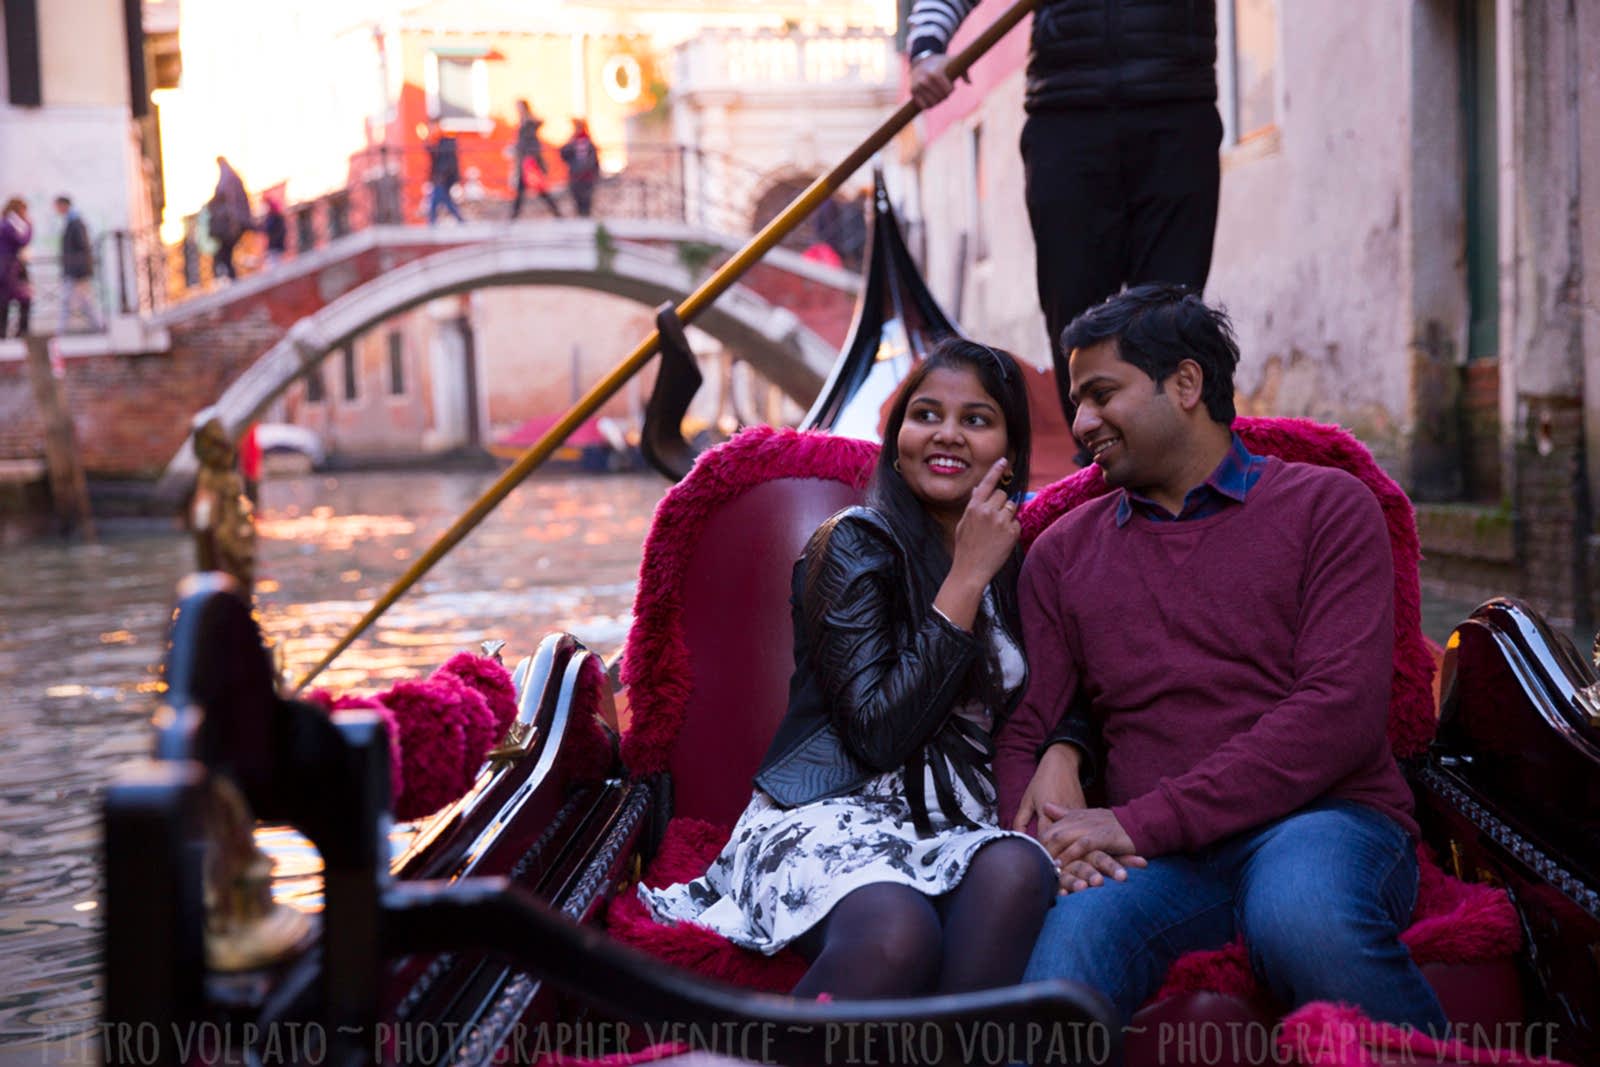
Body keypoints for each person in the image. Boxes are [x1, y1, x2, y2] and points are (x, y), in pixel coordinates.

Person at [996, 285, 1448, 1032]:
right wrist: (1048, 848)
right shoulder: (1062, 554)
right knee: (1065, 958)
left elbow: (1336, 714)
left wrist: (1137, 821)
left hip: (1323, 819)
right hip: (1162, 863)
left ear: (1184, 384)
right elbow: (1022, 727)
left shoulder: (1329, 507)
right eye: (1076, 402)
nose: (1080, 425)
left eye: (1102, 394)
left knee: (1300, 915)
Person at [641, 339, 1058, 999]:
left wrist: (1065, 747)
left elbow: (1060, 695)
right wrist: (967, 577)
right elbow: (877, 733)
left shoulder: (1023, 560)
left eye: (975, 419)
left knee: (1018, 872)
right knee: (899, 934)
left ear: (1010, 450)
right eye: (926, 414)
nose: (947, 433)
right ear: (897, 440)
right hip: (830, 812)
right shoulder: (854, 543)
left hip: (953, 821)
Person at [906, 0, 1223, 420]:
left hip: (1178, 108)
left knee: (1172, 313)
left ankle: (1172, 457)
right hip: (1065, 118)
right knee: (1076, 313)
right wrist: (927, 49)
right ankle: (1094, 456)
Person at [54, 196, 101, 333]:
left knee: (68, 300)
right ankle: (98, 325)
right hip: (77, 269)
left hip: (76, 270)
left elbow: (82, 246)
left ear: (64, 206)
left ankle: (60, 332)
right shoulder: (73, 221)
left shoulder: (75, 222)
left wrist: (75, 267)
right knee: (84, 301)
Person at [509, 99, 561, 219]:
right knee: (522, 190)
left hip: (530, 161)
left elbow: (531, 143)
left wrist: (526, 154)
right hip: (524, 161)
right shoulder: (523, 123)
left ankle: (556, 213)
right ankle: (514, 215)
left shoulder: (528, 124)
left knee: (539, 189)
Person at [208, 157, 251, 281]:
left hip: (230, 225)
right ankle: (228, 276)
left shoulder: (227, 179)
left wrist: (234, 222)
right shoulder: (232, 177)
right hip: (233, 223)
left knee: (224, 253)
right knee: (225, 253)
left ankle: (228, 277)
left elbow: (230, 199)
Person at [0, 198, 31, 338]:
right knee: (20, 298)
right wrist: (30, 227)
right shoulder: (8, 225)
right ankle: (20, 331)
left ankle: (10, 331)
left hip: (10, 266)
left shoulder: (7, 223)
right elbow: (22, 241)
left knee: (7, 299)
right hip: (9, 267)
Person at [559, 119, 600, 219]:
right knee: (577, 199)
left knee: (586, 199)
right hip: (575, 175)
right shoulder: (572, 142)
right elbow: (563, 154)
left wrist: (593, 172)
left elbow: (594, 160)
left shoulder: (589, 143)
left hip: (587, 176)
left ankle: (585, 217)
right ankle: (581, 217)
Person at [425, 123, 465, 225]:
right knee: (443, 200)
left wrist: (441, 175)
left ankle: (432, 221)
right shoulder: (440, 145)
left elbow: (445, 164)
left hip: (443, 179)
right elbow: (436, 159)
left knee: (438, 200)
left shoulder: (445, 146)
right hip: (442, 178)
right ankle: (459, 219)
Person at [260, 195, 287, 265]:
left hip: (275, 247)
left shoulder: (274, 217)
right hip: (275, 247)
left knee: (274, 264)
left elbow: (268, 229)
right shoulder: (272, 217)